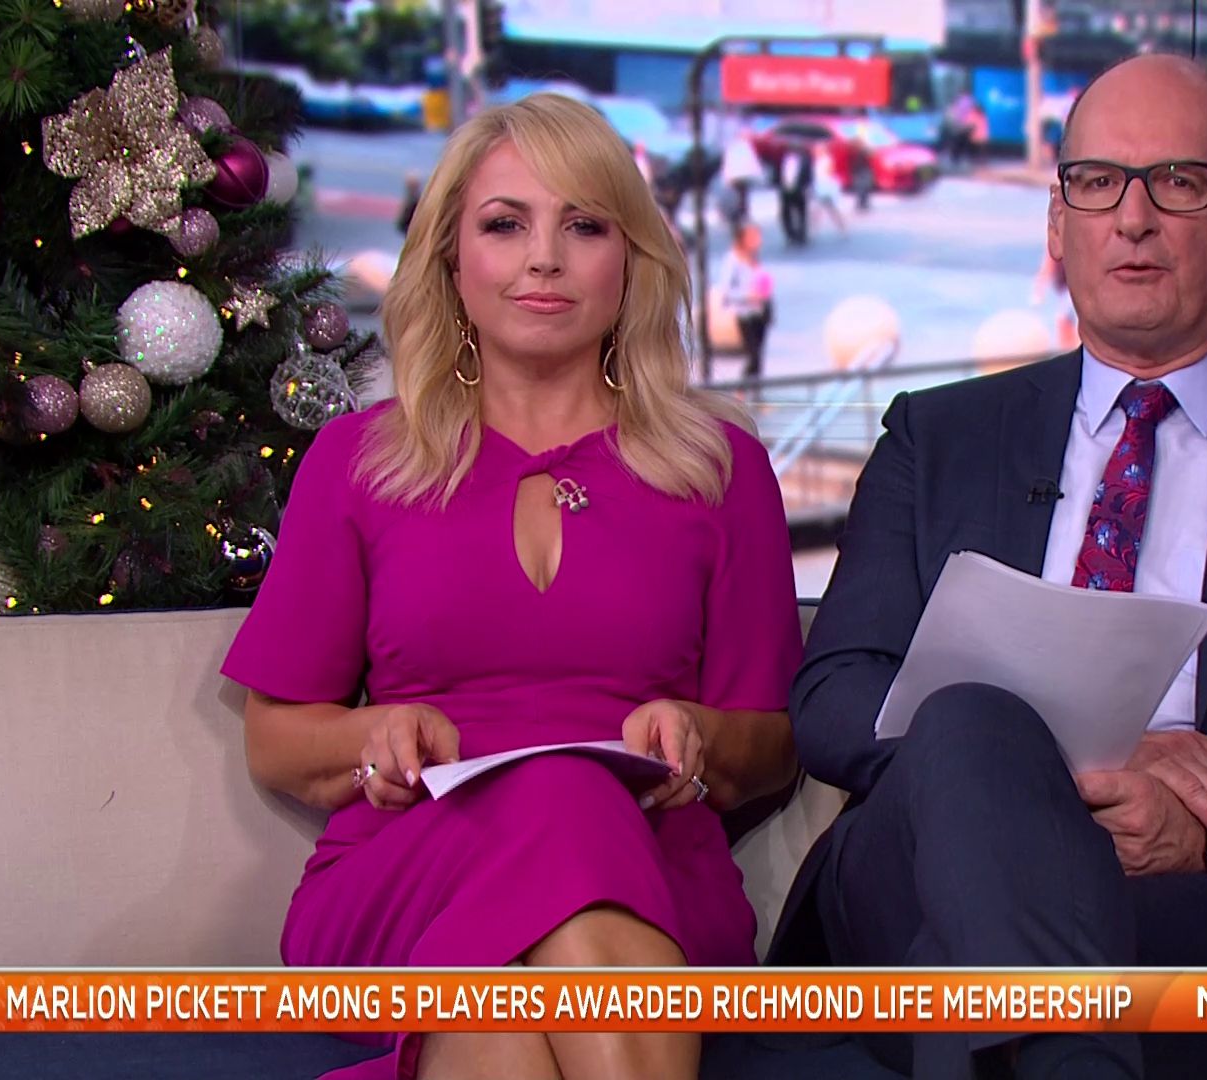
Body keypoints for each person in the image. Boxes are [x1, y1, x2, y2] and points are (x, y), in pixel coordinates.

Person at [773, 55, 1207, 1080]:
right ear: (1059, 223)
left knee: (972, 964)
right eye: (1097, 182)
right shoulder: (938, 437)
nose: (1133, 218)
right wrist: (1082, 758)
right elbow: (834, 696)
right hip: (916, 861)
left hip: (1201, 900)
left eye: (1179, 181)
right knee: (971, 722)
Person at [222, 94, 803, 1080]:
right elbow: (276, 741)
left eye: (584, 226)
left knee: (506, 1017)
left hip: (654, 863)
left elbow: (776, 744)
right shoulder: (358, 462)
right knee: (557, 799)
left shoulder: (721, 468)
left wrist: (700, 736)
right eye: (505, 224)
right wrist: (376, 736)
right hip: (411, 866)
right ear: (452, 258)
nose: (544, 259)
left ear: (631, 263)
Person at [718, 222, 772, 381]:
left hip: (760, 311)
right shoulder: (732, 260)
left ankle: (755, 390)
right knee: (753, 356)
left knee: (759, 357)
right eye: (754, 237)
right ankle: (741, 389)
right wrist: (748, 295)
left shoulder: (753, 257)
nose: (759, 240)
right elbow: (726, 291)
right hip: (744, 314)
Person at [810, 143, 848, 237]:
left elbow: (829, 172)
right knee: (817, 210)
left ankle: (842, 228)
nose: (815, 152)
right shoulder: (818, 161)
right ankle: (814, 230)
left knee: (831, 210)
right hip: (819, 187)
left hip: (826, 188)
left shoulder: (827, 160)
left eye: (817, 150)